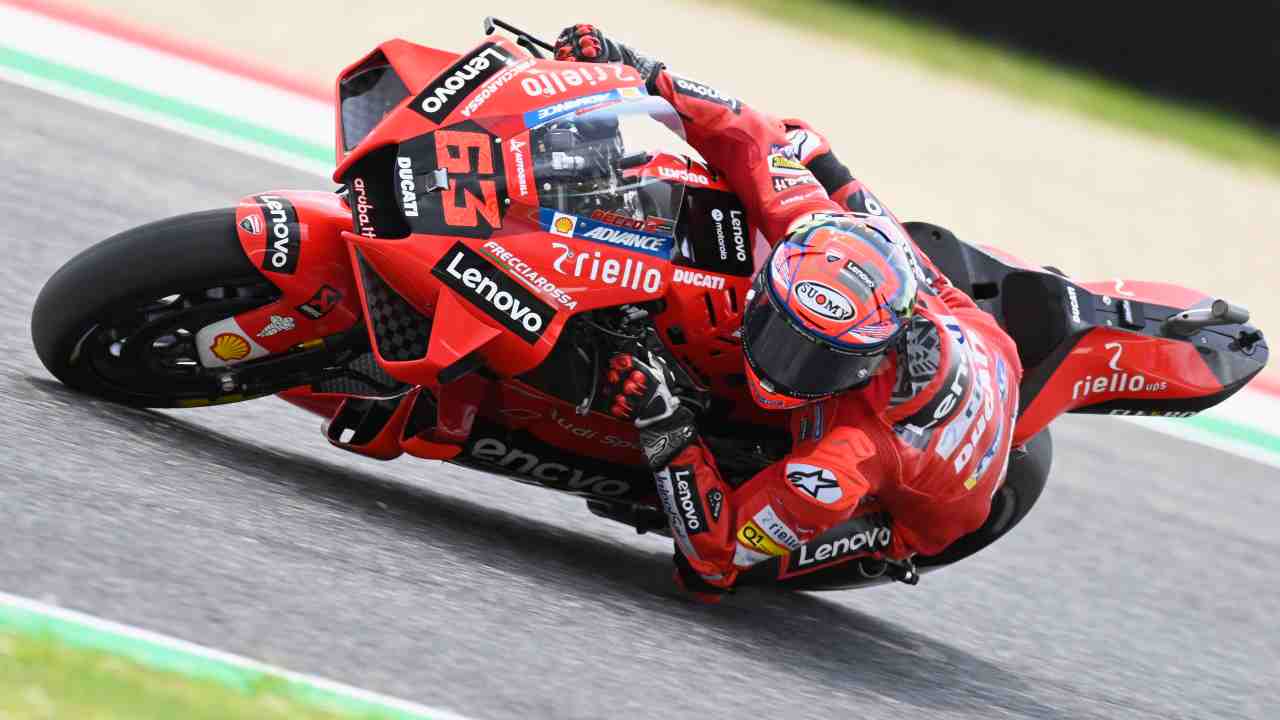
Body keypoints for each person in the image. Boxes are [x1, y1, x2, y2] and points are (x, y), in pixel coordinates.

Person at [556, 25, 1023, 600]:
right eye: (781, 331)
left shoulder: (847, 459)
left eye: (812, 360)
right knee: (800, 144)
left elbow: (712, 563)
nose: (781, 366)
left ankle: (880, 543)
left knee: (746, 547)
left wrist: (664, 424)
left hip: (926, 511)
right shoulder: (815, 235)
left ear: (865, 362)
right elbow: (751, 135)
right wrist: (636, 68)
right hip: (979, 331)